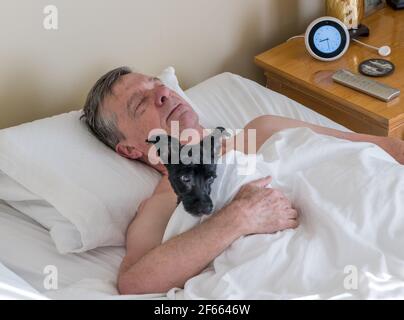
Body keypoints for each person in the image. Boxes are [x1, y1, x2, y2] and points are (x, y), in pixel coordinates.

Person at [81, 66, 404, 295]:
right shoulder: (162, 204)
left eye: (156, 84)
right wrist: (238, 218)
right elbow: (136, 283)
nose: (163, 93)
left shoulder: (263, 130)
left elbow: (385, 147)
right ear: (131, 150)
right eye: (141, 103)